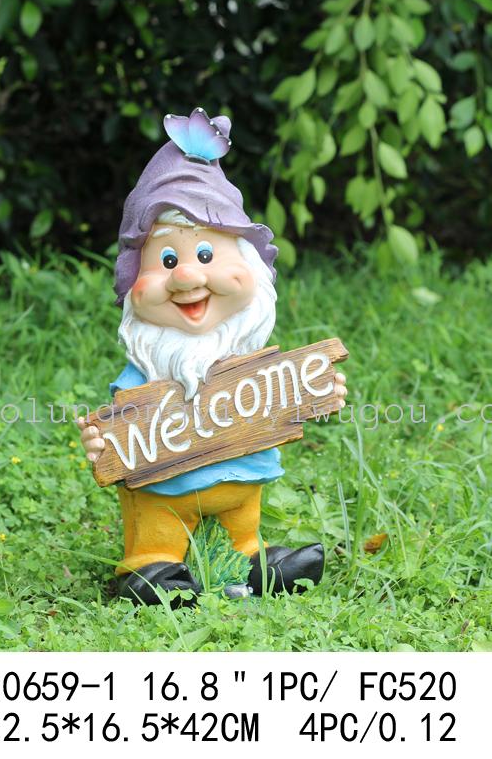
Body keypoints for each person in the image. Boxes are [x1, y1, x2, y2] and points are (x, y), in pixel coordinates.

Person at [78, 108, 347, 606]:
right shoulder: (147, 373)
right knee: (157, 532)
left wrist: (318, 388)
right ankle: (153, 568)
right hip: (164, 490)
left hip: (243, 483)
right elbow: (124, 425)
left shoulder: (251, 361)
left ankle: (255, 559)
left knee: (243, 530)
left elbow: (287, 391)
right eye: (166, 260)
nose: (186, 277)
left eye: (206, 255)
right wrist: (102, 443)